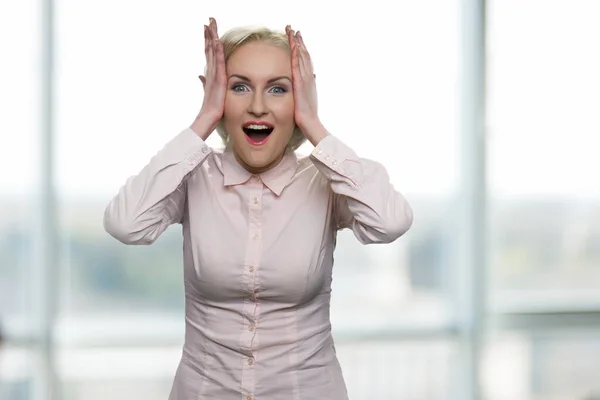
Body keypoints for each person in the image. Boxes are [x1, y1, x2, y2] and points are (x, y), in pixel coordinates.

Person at [103, 17, 413, 400]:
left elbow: (390, 221)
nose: (257, 106)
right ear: (218, 96)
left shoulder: (324, 181)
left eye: (278, 89)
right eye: (239, 87)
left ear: (300, 99)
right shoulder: (194, 176)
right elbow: (126, 223)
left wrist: (314, 124)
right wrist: (202, 120)